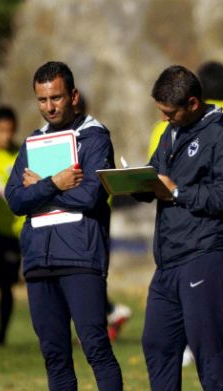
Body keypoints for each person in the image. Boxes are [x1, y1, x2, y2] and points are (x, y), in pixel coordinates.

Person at [4, 61, 131, 391]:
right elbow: (14, 199)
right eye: (42, 99)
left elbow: (91, 195)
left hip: (81, 256)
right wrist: (56, 183)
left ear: (72, 95)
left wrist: (43, 189)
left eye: (56, 97)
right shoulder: (32, 142)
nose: (49, 106)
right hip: (39, 260)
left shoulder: (94, 137)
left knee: (95, 343)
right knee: (53, 349)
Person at [123, 65, 223, 391]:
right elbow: (159, 179)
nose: (164, 117)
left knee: (207, 343)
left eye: (170, 111)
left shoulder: (221, 133)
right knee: (157, 342)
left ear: (192, 103)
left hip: (206, 253)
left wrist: (180, 193)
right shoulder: (170, 132)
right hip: (169, 258)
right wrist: (137, 185)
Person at [74, 93, 132, 341]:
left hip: (91, 219)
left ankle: (107, 315)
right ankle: (106, 314)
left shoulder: (94, 137)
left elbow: (93, 187)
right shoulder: (61, 137)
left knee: (85, 276)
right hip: (75, 218)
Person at [0, 106, 24, 346]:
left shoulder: (20, 156)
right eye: (1, 130)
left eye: (10, 131)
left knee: (6, 286)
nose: (6, 136)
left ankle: (1, 335)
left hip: (12, 233)